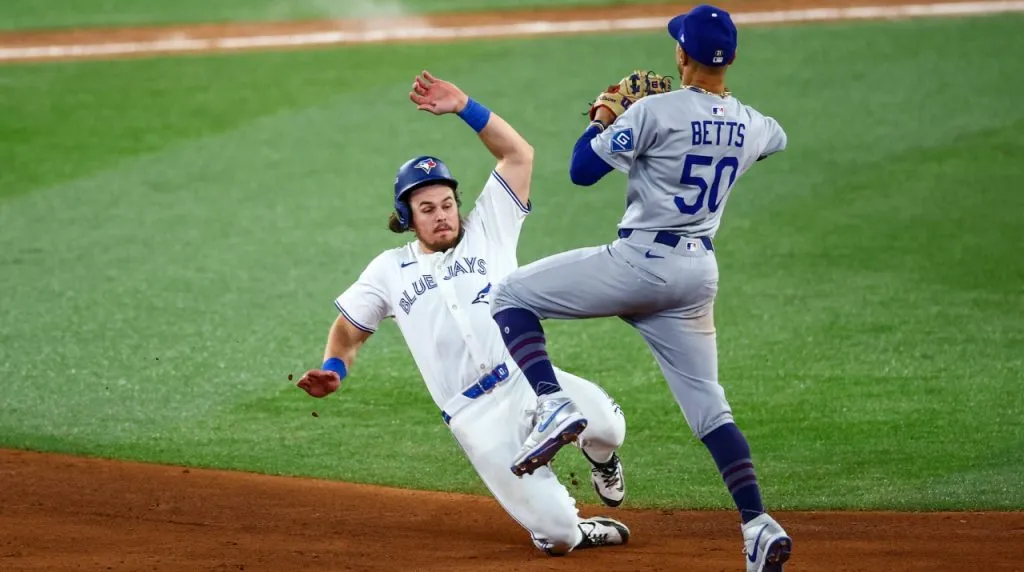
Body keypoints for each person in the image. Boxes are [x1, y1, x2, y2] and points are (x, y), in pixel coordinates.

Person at [487, 6, 793, 571]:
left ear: (681, 55)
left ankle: (553, 405)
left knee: (510, 296)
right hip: (697, 279)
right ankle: (757, 524)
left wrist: (607, 113)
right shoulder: (753, 123)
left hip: (639, 262)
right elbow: (777, 138)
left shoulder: (654, 111)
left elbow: (581, 170)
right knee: (710, 410)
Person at [296, 71, 629, 556]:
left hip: (526, 381)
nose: (443, 214)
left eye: (448, 203)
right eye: (427, 208)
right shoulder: (389, 269)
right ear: (407, 217)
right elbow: (349, 329)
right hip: (474, 417)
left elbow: (519, 155)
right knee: (558, 539)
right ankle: (570, 527)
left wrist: (465, 107)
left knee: (609, 428)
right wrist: (333, 369)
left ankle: (601, 461)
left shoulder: (488, 229)